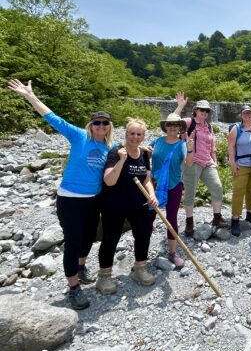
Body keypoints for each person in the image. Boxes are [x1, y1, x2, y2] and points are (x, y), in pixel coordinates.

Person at [8, 79, 114, 310]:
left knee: (88, 239)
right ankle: (74, 288)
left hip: (93, 200)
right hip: (70, 199)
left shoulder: (109, 148)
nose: (101, 126)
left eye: (105, 123)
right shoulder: (79, 136)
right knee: (74, 242)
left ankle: (81, 267)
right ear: (91, 124)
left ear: (109, 126)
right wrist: (30, 96)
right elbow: (52, 117)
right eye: (97, 122)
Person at [96, 118, 158, 294]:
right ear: (126, 134)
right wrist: (122, 160)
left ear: (143, 136)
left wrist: (152, 194)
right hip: (114, 204)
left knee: (144, 233)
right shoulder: (116, 153)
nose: (135, 137)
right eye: (132, 133)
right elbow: (109, 181)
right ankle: (104, 277)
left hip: (138, 202)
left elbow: (146, 178)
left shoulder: (145, 154)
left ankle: (139, 269)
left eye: (139, 134)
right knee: (111, 238)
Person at [173, 92, 227, 236]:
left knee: (217, 187)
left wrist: (215, 161)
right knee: (190, 192)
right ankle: (189, 220)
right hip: (191, 162)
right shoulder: (189, 123)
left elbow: (212, 145)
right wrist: (180, 106)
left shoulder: (209, 126)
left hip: (207, 162)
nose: (204, 112)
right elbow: (172, 121)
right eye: (201, 110)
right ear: (196, 110)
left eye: (206, 111)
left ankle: (216, 217)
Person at [151, 113, 193, 267]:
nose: (173, 127)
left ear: (180, 128)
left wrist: (189, 150)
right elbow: (143, 150)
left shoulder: (182, 144)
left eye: (176, 125)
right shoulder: (157, 141)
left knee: (172, 218)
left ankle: (172, 253)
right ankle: (141, 255)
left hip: (174, 185)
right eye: (170, 125)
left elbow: (188, 164)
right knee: (148, 218)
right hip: (154, 185)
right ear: (165, 127)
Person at [228, 105, 251, 237]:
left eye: (249, 113)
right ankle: (235, 219)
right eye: (245, 113)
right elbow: (231, 146)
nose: (247, 115)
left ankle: (250, 213)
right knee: (238, 192)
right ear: (241, 115)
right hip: (241, 164)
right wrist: (232, 163)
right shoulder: (236, 129)